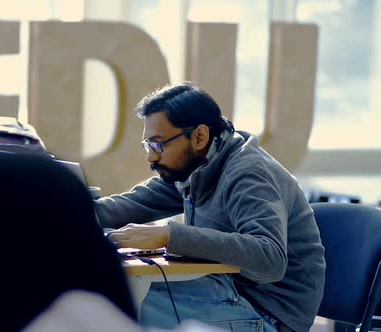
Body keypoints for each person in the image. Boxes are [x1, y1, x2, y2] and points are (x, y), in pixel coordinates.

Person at [95, 82, 326, 332]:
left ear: (199, 136)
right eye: (148, 146)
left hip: (269, 314)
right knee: (108, 290)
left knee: (114, 304)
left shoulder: (248, 174)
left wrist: (169, 235)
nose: (151, 157)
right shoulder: (196, 168)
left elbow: (269, 258)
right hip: (226, 290)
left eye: (158, 144)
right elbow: (130, 204)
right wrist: (66, 210)